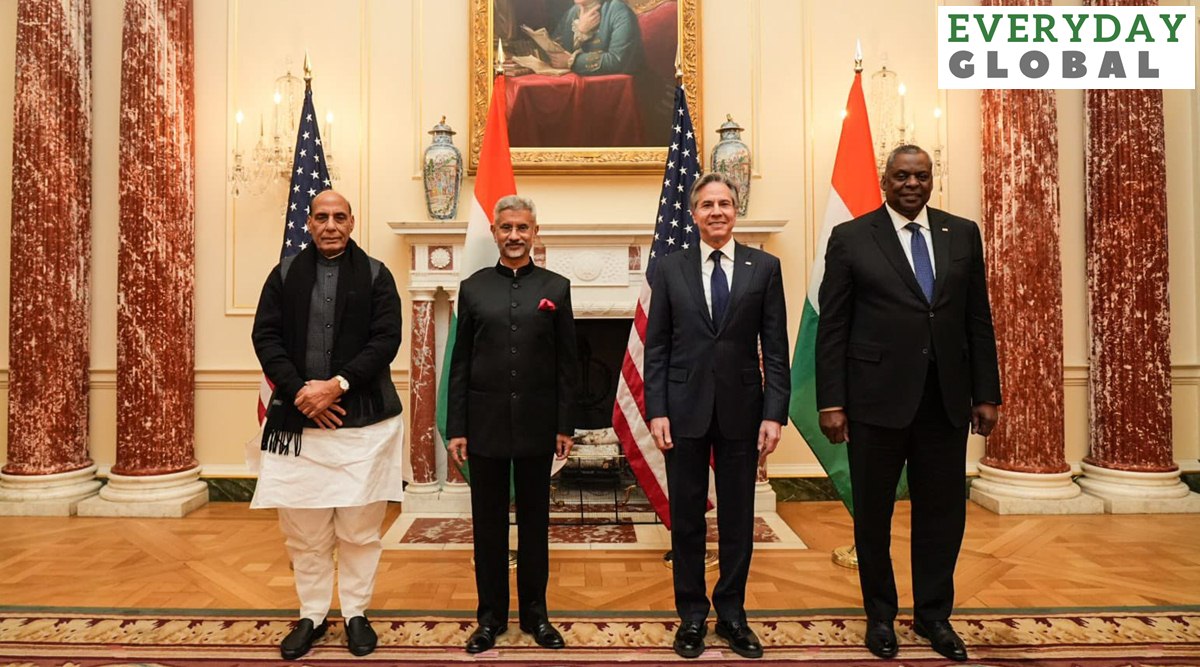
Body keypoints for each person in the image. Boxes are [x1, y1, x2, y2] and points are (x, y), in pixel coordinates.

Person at [816, 145, 1001, 662]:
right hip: (874, 403)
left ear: (932, 179)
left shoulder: (960, 233)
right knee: (873, 515)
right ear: (885, 181)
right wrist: (832, 400)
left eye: (921, 175)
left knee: (942, 514)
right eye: (902, 176)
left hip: (944, 402)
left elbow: (977, 319)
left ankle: (934, 616)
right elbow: (833, 326)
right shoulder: (851, 238)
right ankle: (880, 616)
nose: (912, 184)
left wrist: (986, 393)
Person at [250, 190, 404, 660]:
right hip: (298, 423)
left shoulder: (378, 274)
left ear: (353, 222)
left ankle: (356, 613)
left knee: (359, 530)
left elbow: (386, 340)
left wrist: (335, 386)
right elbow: (266, 336)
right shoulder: (283, 275)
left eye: (340, 217)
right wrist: (304, 392)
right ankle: (312, 615)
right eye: (322, 217)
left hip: (364, 423)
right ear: (309, 224)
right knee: (306, 533)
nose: (331, 225)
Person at [644, 172, 790, 660]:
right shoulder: (669, 268)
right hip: (682, 412)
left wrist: (775, 413)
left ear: (736, 210)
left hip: (743, 414)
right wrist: (657, 409)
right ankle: (691, 616)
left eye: (725, 203)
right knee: (686, 519)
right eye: (706, 204)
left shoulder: (764, 268)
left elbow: (775, 346)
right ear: (694, 213)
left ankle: (731, 613)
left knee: (737, 519)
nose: (717, 212)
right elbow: (657, 345)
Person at [447, 195, 579, 654]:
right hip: (483, 426)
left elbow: (568, 365)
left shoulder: (557, 288)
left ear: (535, 232)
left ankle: (537, 617)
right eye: (506, 228)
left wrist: (565, 425)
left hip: (539, 427)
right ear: (495, 233)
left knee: (535, 526)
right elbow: (459, 363)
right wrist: (456, 427)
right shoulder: (473, 287)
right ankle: (489, 619)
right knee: (487, 528)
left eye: (523, 228)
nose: (515, 236)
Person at [548, 0, 643, 75]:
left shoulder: (618, 10)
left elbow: (617, 60)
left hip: (613, 88)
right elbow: (556, 46)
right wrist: (580, 32)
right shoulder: (572, 13)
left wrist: (572, 62)